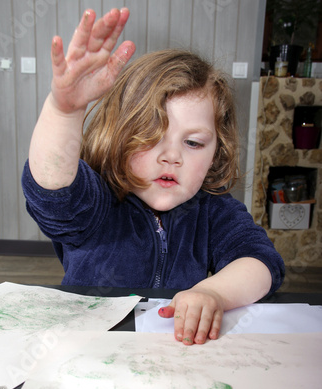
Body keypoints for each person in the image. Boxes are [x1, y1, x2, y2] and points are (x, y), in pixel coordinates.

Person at [22, 8, 285, 346]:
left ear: (216, 151)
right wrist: (64, 110)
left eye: (192, 142)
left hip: (170, 357)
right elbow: (52, 189)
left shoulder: (213, 209)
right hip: (88, 354)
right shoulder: (96, 201)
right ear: (119, 135)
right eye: (150, 136)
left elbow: (261, 260)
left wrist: (213, 293)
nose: (172, 156)